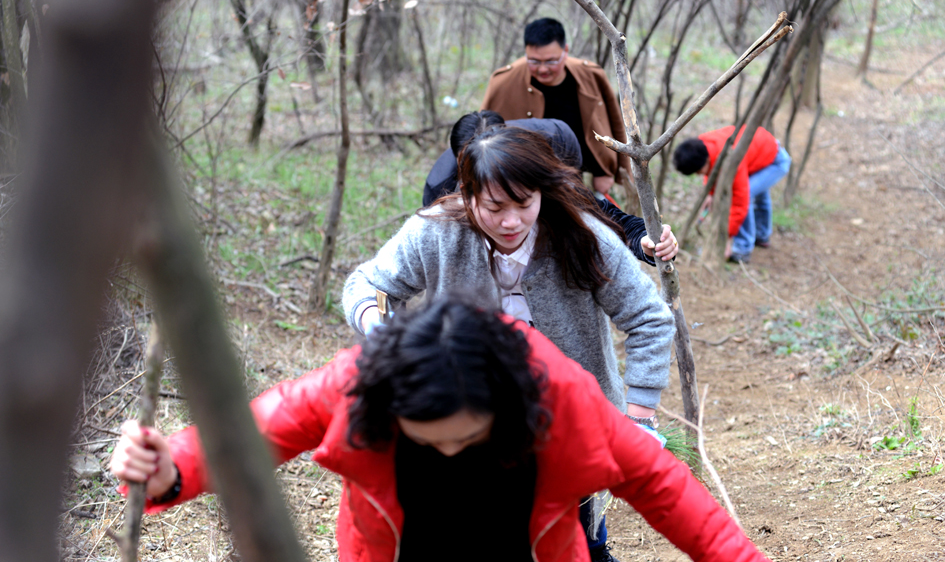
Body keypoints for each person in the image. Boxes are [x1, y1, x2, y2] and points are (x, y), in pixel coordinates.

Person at [110, 298, 771, 562]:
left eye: (467, 436)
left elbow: (659, 481)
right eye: (430, 438)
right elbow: (255, 429)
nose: (451, 450)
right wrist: (172, 469)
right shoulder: (358, 381)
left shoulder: (559, 393)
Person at [344, 126, 676, 561]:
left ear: (542, 192)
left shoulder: (584, 235)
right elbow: (367, 283)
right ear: (469, 195)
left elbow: (649, 316)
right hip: (470, 418)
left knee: (576, 532)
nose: (511, 221)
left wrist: (640, 414)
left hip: (570, 416)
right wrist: (382, 332)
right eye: (494, 207)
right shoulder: (436, 233)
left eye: (524, 204)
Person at [422, 110, 678, 264]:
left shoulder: (539, 173)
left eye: (521, 202)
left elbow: (603, 217)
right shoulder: (440, 191)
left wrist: (647, 241)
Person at [481, 17, 630, 196]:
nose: (543, 69)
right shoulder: (503, 82)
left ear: (565, 51)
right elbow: (484, 134)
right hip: (523, 180)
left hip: (578, 175)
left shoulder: (590, 75)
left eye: (551, 61)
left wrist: (608, 171)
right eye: (534, 61)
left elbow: (614, 123)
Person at [673, 125, 792, 264]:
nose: (700, 175)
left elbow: (739, 203)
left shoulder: (730, 160)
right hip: (760, 154)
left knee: (747, 194)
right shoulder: (701, 146)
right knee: (758, 195)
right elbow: (712, 169)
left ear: (704, 162)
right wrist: (711, 193)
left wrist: (726, 239)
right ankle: (762, 235)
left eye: (698, 172)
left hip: (775, 161)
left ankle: (743, 249)